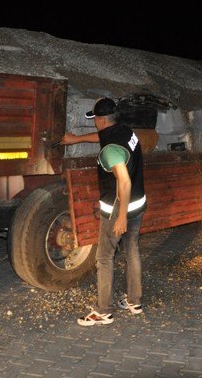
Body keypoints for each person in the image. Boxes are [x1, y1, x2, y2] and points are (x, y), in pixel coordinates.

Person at [61, 97, 147, 326]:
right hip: (138, 203)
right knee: (132, 251)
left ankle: (103, 310)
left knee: (104, 258)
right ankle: (134, 301)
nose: (95, 124)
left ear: (100, 120)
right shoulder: (125, 131)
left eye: (95, 119)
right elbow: (103, 138)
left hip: (120, 206)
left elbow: (124, 182)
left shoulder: (110, 149)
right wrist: (76, 140)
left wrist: (120, 217)